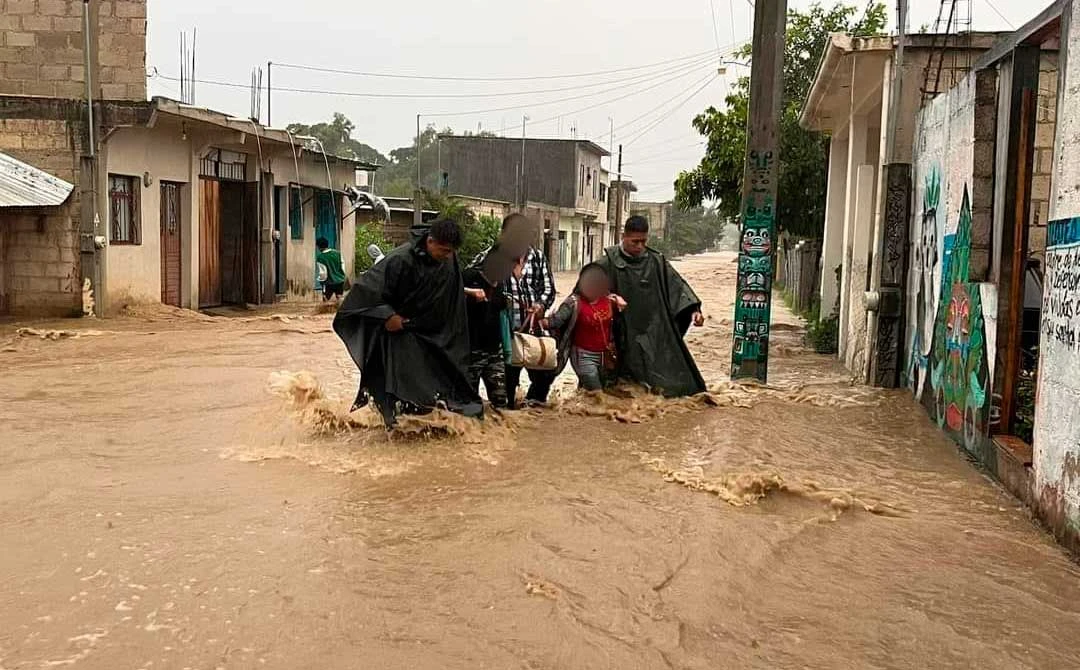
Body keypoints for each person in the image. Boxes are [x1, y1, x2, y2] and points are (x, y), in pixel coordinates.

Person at [332, 219, 482, 428]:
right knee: (402, 391)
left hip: (436, 334)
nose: (447, 256)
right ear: (430, 241)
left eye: (451, 252)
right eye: (444, 251)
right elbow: (363, 294)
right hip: (401, 335)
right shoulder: (400, 260)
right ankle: (398, 432)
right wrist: (387, 315)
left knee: (448, 386)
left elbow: (452, 296)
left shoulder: (448, 259)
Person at [594, 216, 706, 397]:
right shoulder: (607, 263)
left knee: (656, 382)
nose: (639, 246)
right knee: (612, 383)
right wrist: (611, 299)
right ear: (623, 236)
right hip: (618, 332)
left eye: (643, 242)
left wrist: (693, 310)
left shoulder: (657, 262)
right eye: (635, 242)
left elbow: (678, 287)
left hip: (650, 330)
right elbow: (586, 294)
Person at [477, 213, 559, 408]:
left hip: (533, 332)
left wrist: (540, 306)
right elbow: (472, 284)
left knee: (545, 374)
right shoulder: (488, 257)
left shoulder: (538, 257)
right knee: (507, 384)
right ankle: (512, 411)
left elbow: (549, 289)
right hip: (503, 334)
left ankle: (532, 409)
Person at [546, 263, 627, 391]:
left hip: (606, 356)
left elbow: (619, 326)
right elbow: (555, 322)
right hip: (583, 356)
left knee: (603, 394)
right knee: (596, 394)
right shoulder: (573, 302)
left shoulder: (609, 300)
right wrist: (539, 320)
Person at [462, 261, 510, 408]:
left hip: (495, 350)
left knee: (500, 400)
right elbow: (448, 289)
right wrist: (469, 292)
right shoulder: (470, 276)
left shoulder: (501, 285)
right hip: (471, 350)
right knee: (469, 402)